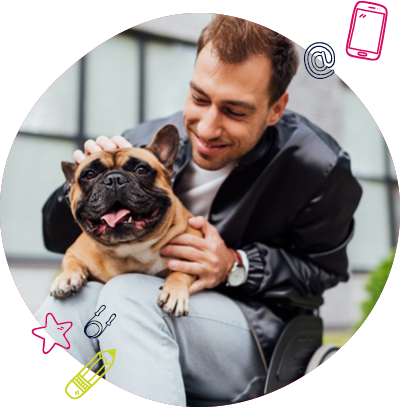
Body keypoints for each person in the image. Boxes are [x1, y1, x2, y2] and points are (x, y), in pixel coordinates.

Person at [36, 15, 362, 406]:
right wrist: (80, 185)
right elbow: (57, 239)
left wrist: (238, 264)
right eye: (199, 98)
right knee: (65, 304)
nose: (206, 128)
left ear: (276, 109)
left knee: (128, 296)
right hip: (137, 314)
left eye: (235, 111)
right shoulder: (147, 142)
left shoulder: (319, 166)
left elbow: (325, 271)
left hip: (258, 333)